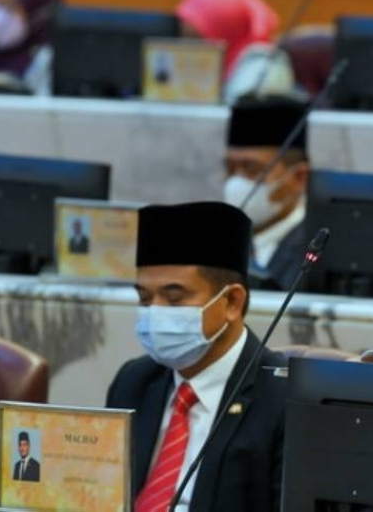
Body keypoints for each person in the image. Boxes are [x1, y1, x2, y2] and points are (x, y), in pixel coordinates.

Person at [106, 202, 286, 512]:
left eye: (175, 299)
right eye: (145, 298)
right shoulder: (134, 381)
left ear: (231, 301)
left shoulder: (284, 397)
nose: (156, 312)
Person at [223, 97, 309, 291]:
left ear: (299, 178)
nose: (236, 182)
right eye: (229, 168)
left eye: (251, 169)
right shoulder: (215, 243)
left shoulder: (314, 253)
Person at [175, 0, 293, 103]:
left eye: (196, 39)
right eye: (182, 37)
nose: (186, 48)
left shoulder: (261, 76)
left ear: (224, 32)